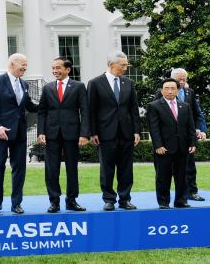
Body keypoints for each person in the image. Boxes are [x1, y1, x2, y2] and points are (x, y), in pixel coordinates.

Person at [0, 53, 38, 214]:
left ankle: (16, 203)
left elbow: (29, 106)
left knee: (19, 168)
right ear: (12, 63)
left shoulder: (24, 84)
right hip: (0, 134)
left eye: (26, 64)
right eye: (23, 64)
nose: (25, 67)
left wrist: (50, 104)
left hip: (20, 134)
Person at [88, 51, 141, 211]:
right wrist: (93, 132)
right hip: (105, 133)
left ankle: (125, 199)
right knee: (107, 167)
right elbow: (91, 110)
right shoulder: (95, 83)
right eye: (123, 65)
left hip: (126, 132)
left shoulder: (128, 83)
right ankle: (109, 199)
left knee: (126, 168)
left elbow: (134, 109)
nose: (126, 67)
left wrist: (136, 131)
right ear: (112, 64)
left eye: (126, 64)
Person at [37, 57, 89, 213]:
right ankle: (54, 202)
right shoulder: (47, 88)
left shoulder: (79, 87)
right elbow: (42, 112)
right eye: (53, 68)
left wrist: (84, 133)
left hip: (72, 134)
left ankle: (71, 201)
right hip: (51, 135)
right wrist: (41, 132)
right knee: (51, 170)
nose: (55, 71)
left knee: (72, 169)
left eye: (58, 68)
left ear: (68, 69)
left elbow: (85, 111)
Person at [156, 68, 206, 201]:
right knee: (166, 171)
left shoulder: (190, 92)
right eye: (180, 79)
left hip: (186, 137)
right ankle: (165, 199)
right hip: (168, 139)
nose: (182, 82)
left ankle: (192, 192)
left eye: (185, 79)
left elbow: (197, 113)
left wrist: (201, 129)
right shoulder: (162, 92)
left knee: (190, 167)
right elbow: (155, 117)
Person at [147, 78, 196, 208]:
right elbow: (154, 128)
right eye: (166, 88)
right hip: (163, 148)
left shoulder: (185, 106)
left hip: (182, 148)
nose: (169, 91)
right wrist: (158, 145)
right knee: (163, 177)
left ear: (178, 90)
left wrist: (192, 143)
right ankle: (163, 202)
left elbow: (190, 127)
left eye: (172, 88)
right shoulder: (154, 106)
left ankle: (181, 201)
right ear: (162, 90)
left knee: (182, 177)